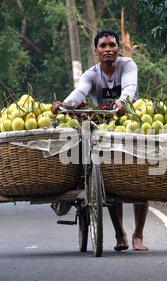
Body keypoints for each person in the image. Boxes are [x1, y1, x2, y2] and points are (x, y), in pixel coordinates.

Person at [52, 29, 149, 251]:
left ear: (118, 49)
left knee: (140, 175)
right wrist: (65, 105)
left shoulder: (128, 65)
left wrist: (123, 101)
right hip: (103, 126)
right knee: (106, 177)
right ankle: (120, 235)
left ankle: (138, 235)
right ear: (96, 51)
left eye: (112, 45)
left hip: (131, 121)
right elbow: (80, 93)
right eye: (103, 46)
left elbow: (130, 86)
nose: (108, 49)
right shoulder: (91, 74)